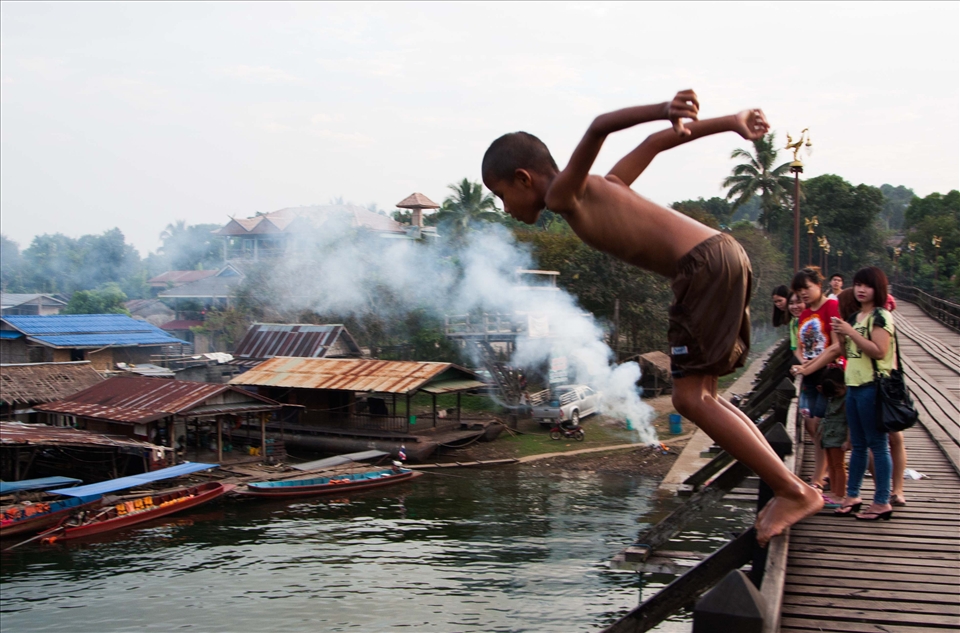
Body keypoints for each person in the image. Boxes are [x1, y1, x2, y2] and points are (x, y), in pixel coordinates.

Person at [481, 89, 822, 546]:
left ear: (523, 178)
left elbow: (600, 124)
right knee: (705, 395)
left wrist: (663, 109)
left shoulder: (565, 195)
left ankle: (792, 490)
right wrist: (729, 120)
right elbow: (658, 144)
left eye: (501, 196)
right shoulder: (610, 185)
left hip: (699, 268)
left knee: (688, 401)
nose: (505, 208)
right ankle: (788, 484)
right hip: (725, 255)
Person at [831, 266, 896, 521]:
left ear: (877, 289)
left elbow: (879, 351)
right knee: (857, 445)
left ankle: (881, 501)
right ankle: (852, 495)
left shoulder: (880, 316)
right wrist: (842, 336)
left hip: (873, 386)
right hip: (855, 385)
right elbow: (850, 355)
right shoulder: (857, 316)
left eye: (867, 285)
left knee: (878, 446)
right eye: (858, 284)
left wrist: (850, 333)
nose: (860, 289)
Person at [789, 266, 840, 491]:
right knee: (811, 426)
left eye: (807, 288)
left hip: (828, 374)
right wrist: (803, 365)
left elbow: (837, 346)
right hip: (809, 374)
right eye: (799, 291)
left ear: (819, 285)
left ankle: (818, 477)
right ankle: (826, 469)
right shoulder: (804, 313)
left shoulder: (832, 306)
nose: (804, 295)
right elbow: (802, 347)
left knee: (821, 426)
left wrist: (809, 368)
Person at [817, 366, 849, 507]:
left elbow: (850, 421)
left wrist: (848, 440)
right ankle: (834, 492)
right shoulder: (832, 399)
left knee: (838, 465)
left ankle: (840, 494)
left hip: (838, 436)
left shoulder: (845, 401)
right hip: (829, 435)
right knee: (831, 465)